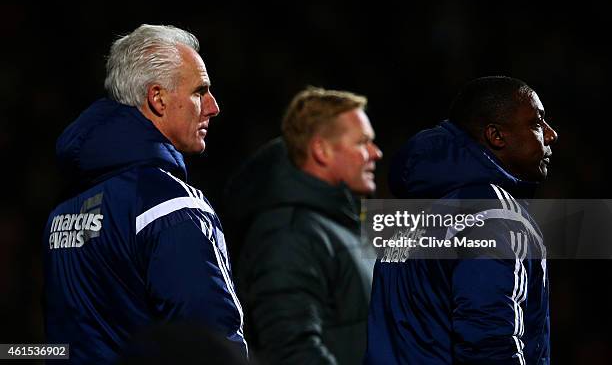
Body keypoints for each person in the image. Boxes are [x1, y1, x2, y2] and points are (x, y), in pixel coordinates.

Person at [43, 24, 246, 363]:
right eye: (200, 91)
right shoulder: (170, 204)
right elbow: (209, 342)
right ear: (158, 98)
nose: (213, 106)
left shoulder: (64, 208)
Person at [365, 76, 558, 364]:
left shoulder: (409, 216)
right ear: (497, 136)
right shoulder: (494, 213)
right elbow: (491, 344)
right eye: (536, 122)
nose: (551, 134)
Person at [224, 87, 383, 364]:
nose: (376, 153)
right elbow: (291, 351)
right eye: (362, 142)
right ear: (321, 150)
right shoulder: (288, 234)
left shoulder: (340, 223)